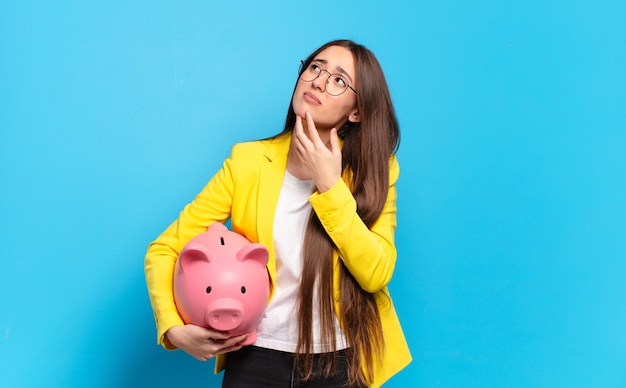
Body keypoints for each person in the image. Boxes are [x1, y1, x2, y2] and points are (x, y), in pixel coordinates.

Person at [145, 39, 411, 387]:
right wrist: (174, 329)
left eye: (338, 80)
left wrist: (330, 186)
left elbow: (376, 273)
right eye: (315, 68)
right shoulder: (248, 162)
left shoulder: (377, 170)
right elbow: (164, 250)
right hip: (256, 357)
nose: (318, 81)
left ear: (356, 111)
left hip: (341, 364)